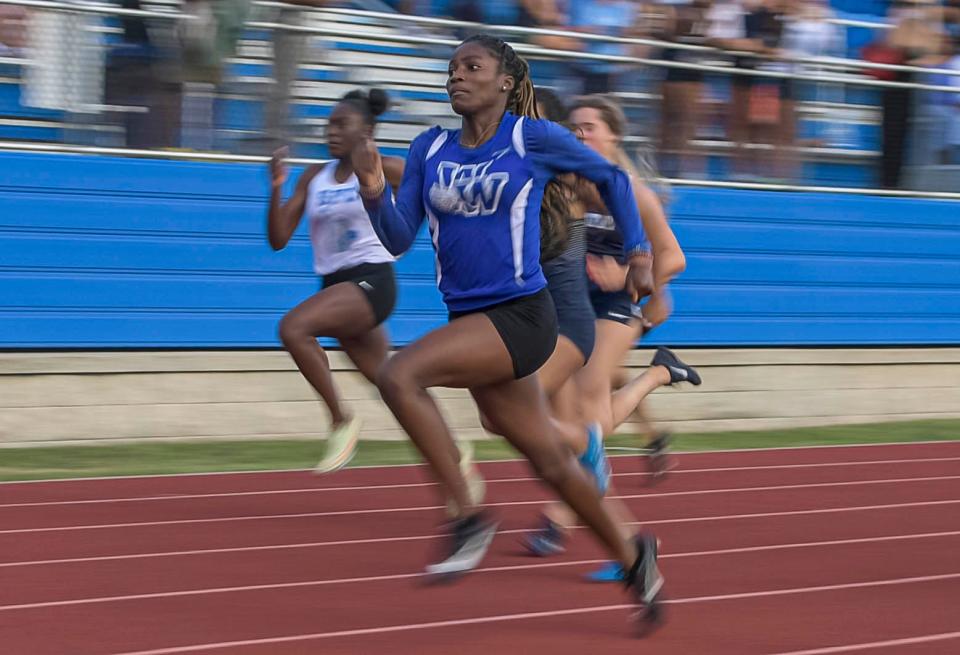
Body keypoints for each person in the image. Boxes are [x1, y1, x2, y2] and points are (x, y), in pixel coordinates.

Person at [352, 34, 665, 626]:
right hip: (470, 319)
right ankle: (634, 556)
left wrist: (639, 253)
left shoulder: (532, 138)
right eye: (451, 69)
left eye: (473, 67)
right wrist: (373, 192)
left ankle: (468, 515)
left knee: (399, 374)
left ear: (504, 82)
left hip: (522, 314)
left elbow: (616, 182)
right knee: (548, 459)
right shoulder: (428, 149)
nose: (457, 77)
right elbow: (396, 238)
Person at [524, 95, 700, 572]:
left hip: (617, 308)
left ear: (613, 135)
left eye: (589, 127)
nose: (580, 134)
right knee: (570, 422)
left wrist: (630, 278)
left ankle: (565, 514)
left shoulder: (631, 191)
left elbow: (673, 256)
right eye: (574, 127)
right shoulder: (568, 182)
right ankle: (630, 542)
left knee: (586, 416)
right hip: (570, 305)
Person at [267, 89, 403, 473]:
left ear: (367, 131)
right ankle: (452, 450)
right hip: (335, 286)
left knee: (293, 328)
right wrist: (277, 185)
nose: (331, 131)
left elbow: (435, 196)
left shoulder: (387, 167)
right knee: (393, 384)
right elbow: (278, 239)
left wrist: (405, 232)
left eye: (342, 124)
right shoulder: (314, 176)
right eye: (329, 124)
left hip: (373, 280)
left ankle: (341, 421)